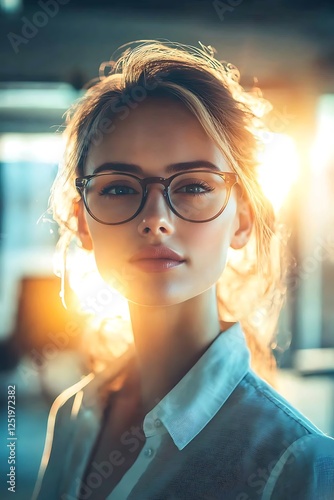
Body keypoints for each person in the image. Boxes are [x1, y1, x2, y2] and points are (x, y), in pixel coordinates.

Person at [33, 41, 334, 500]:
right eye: (117, 188)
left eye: (194, 185)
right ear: (82, 222)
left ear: (243, 220)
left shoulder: (295, 463)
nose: (155, 218)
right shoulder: (73, 415)